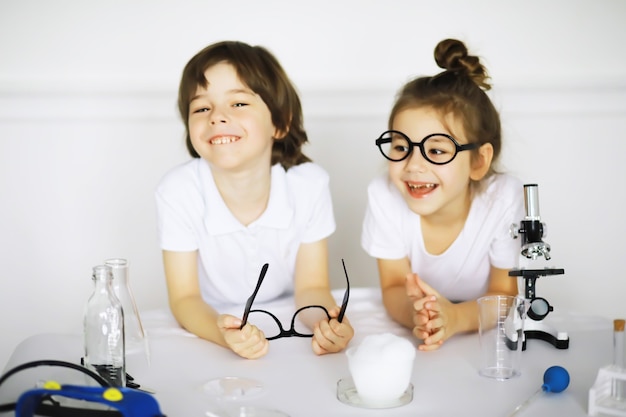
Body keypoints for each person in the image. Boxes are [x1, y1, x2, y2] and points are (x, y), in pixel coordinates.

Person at [155, 41, 353, 359]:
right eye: (201, 108)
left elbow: (311, 288)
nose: (217, 117)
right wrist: (222, 333)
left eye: (238, 104)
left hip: (286, 327)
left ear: (280, 122)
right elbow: (185, 298)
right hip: (210, 325)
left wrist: (327, 325)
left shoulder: (309, 185)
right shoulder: (178, 190)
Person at [361, 38, 524, 351]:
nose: (414, 165)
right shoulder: (384, 194)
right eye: (400, 147)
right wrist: (419, 316)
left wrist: (455, 319)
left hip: (485, 340)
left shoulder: (502, 199)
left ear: (478, 161)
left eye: (436, 150)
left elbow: (504, 293)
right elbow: (394, 286)